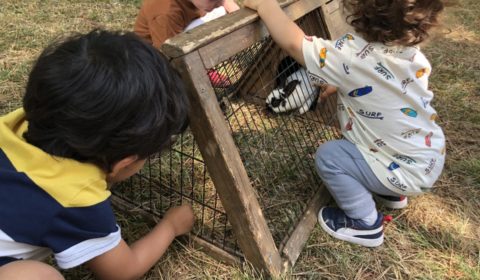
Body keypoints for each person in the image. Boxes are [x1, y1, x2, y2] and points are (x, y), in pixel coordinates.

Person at [244, 0, 446, 247]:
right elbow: (384, 89)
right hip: (428, 157)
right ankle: (391, 191)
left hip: (404, 168)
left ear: (361, 11)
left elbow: (294, 43)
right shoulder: (415, 57)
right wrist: (343, 83)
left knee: (330, 156)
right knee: (386, 140)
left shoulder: (351, 55)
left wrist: (266, 7)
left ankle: (365, 223)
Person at [0, 30, 195, 279]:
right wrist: (170, 227)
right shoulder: (75, 198)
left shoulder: (14, 124)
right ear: (124, 163)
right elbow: (124, 269)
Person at [134, 0, 240, 49]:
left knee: (222, 10)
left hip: (185, 26)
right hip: (156, 50)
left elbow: (228, 5)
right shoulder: (166, 13)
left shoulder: (204, 2)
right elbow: (168, 54)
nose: (218, 3)